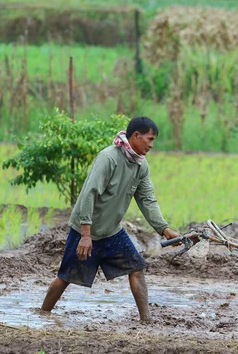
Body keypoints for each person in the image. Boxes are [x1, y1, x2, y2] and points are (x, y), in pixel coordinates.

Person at [40, 116, 180, 322]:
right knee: (66, 277)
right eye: (149, 139)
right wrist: (85, 235)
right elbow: (89, 194)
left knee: (137, 268)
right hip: (85, 230)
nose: (151, 145)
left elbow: (147, 199)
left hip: (112, 231)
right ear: (135, 136)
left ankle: (147, 320)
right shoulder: (109, 158)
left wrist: (164, 229)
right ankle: (43, 313)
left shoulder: (141, 166)